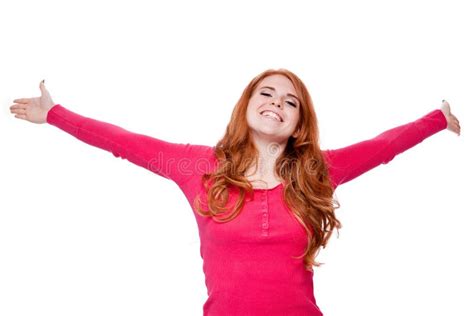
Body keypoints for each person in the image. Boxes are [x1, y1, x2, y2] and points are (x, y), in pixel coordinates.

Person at [9, 69, 461, 316]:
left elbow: (382, 148)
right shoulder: (198, 166)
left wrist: (437, 119)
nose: (277, 104)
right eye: (266, 94)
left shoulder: (316, 171)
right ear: (246, 107)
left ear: (299, 123)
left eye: (290, 101)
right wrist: (55, 115)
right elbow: (124, 143)